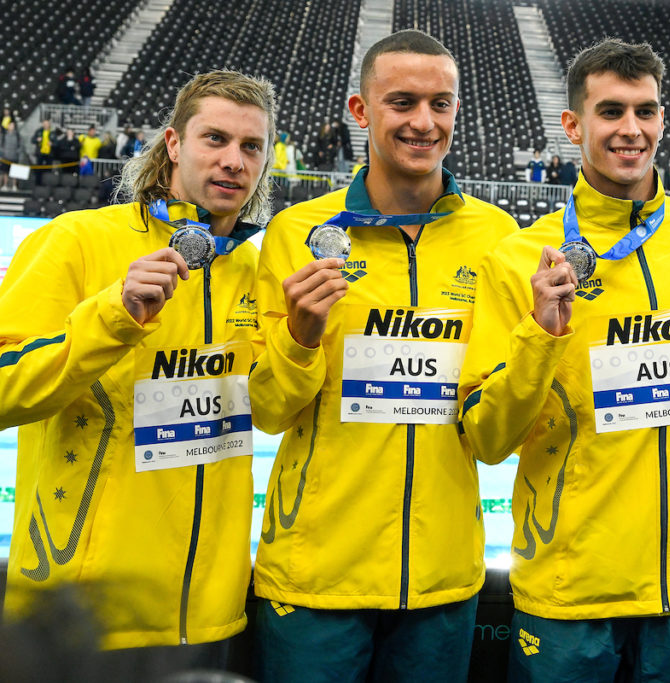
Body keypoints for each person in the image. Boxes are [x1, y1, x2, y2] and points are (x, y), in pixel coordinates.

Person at [458, 38, 670, 681]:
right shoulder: (517, 261)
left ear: (662, 120)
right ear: (573, 126)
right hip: (571, 584)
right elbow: (486, 438)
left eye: (645, 111)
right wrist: (540, 334)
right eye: (611, 111)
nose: (631, 129)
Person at [249, 29, 517, 682]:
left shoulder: (497, 237)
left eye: (441, 103)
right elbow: (267, 409)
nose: (424, 122)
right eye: (402, 102)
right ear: (361, 110)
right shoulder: (300, 233)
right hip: (316, 575)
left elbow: (493, 430)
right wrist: (301, 336)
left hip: (441, 579)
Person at [0, 70, 276, 672]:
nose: (233, 161)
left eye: (251, 147)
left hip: (208, 611)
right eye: (215, 140)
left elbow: (276, 408)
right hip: (83, 609)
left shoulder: (257, 271)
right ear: (174, 144)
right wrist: (112, 315)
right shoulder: (74, 241)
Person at [0, 121, 22, 191]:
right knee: (5, 172)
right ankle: (5, 185)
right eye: (10, 125)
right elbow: (1, 145)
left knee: (15, 173)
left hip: (15, 157)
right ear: (8, 126)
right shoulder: (4, 135)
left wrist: (17, 153)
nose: (12, 127)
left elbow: (21, 146)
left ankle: (14, 186)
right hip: (5, 157)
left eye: (13, 125)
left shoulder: (17, 135)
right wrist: (3, 153)